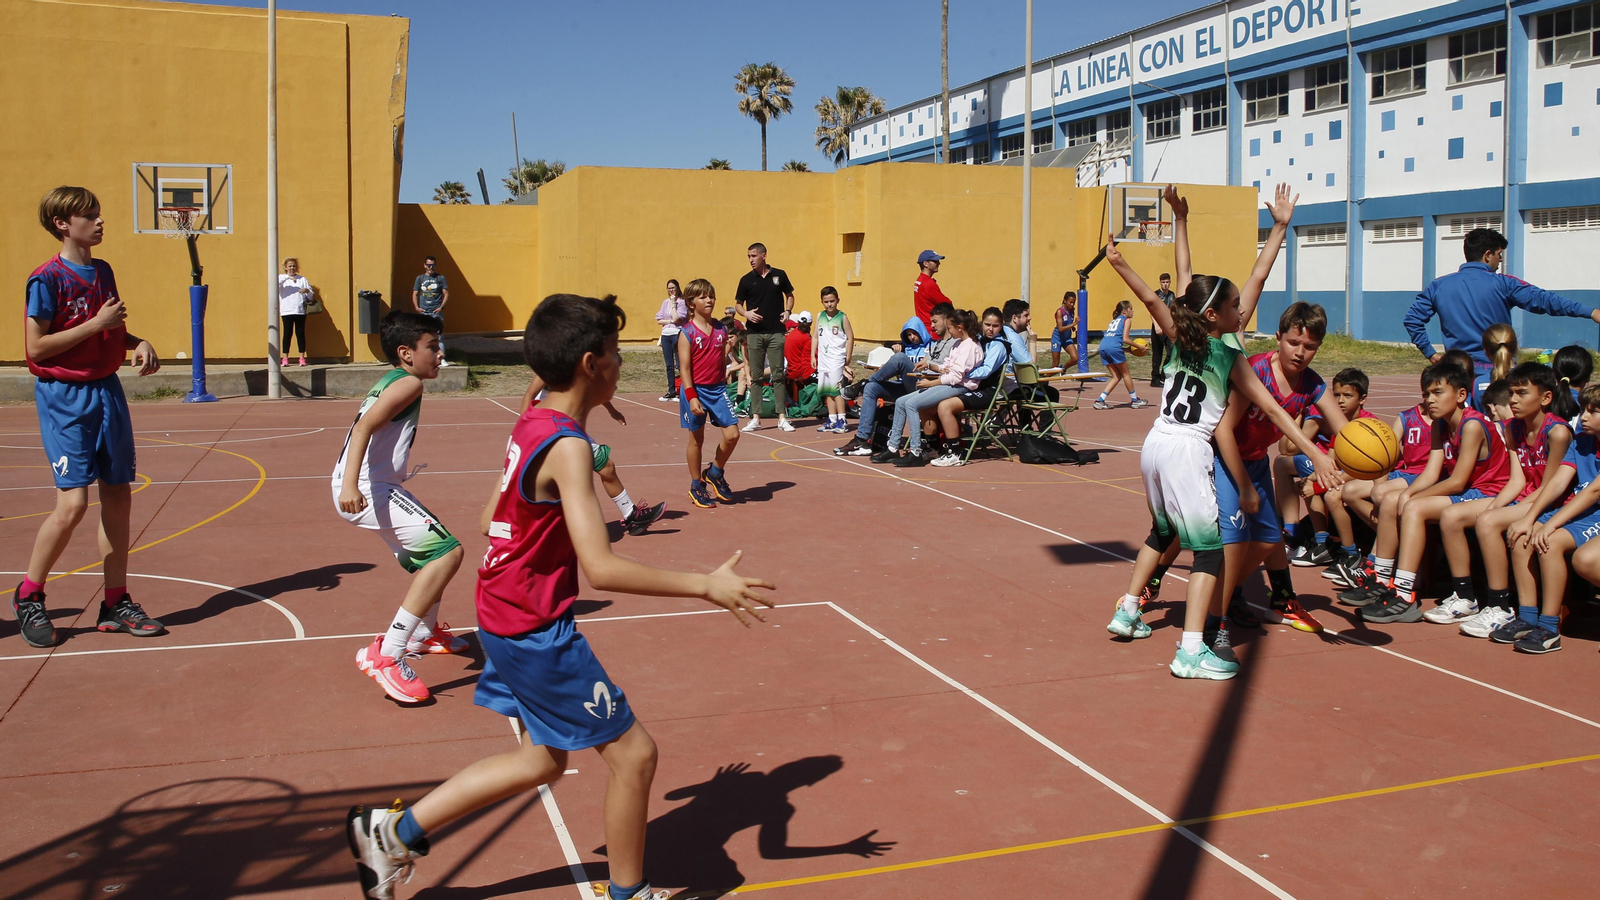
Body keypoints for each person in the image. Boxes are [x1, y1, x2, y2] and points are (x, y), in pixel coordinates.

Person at [346, 293, 774, 900]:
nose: (621, 366)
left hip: (502, 610)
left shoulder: (535, 419)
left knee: (540, 761)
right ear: (589, 366)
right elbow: (599, 566)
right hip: (532, 627)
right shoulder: (568, 448)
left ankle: (391, 833)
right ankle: (629, 893)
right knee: (634, 756)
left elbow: (493, 510)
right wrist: (705, 584)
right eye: (614, 356)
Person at [1100, 216, 1342, 681]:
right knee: (1208, 553)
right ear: (1216, 315)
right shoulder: (1231, 357)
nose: (1243, 311)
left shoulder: (1179, 336)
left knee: (1164, 532)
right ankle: (1193, 649)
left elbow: (1152, 297)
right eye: (1236, 307)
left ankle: (1130, 608)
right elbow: (1273, 411)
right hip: (1191, 449)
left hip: (1155, 441)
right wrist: (1318, 454)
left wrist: (1119, 262)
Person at [13, 185, 163, 649]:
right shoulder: (46, 279)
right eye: (89, 216)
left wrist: (134, 341)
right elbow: (35, 348)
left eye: (99, 214)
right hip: (65, 397)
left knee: (118, 496)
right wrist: (97, 325)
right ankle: (30, 594)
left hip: (106, 392)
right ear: (63, 223)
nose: (100, 222)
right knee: (73, 504)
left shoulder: (102, 271)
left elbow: (108, 330)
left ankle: (115, 601)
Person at [336, 312, 467, 704]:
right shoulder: (408, 383)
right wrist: (348, 485)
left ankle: (424, 635)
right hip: (367, 487)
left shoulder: (395, 380)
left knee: (436, 550)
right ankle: (387, 654)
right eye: (433, 346)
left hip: (375, 484)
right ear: (406, 353)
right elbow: (362, 429)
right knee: (449, 554)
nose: (440, 354)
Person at [1212, 302, 1349, 634]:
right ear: (1278, 338)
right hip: (1222, 458)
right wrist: (1243, 485)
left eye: (1310, 346)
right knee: (1227, 542)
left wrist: (1374, 454)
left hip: (1256, 460)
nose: (1300, 352)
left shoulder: (1312, 384)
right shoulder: (1255, 371)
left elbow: (1345, 430)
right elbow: (1223, 430)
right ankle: (1204, 616)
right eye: (1294, 342)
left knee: (1269, 539)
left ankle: (1231, 596)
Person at [1356, 362, 1513, 623]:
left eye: (1438, 393)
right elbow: (1431, 472)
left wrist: (1414, 498)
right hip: (1468, 491)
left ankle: (1405, 594)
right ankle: (1382, 578)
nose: (1430, 400)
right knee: (1393, 498)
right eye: (1427, 394)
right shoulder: (1440, 424)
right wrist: (1409, 493)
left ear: (1461, 395)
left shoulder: (1471, 425)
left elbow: (1458, 482)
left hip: (1489, 492)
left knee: (1414, 507)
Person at [1429, 363, 1575, 626]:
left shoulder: (1558, 432)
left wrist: (1503, 513)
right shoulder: (1512, 427)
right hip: (1525, 497)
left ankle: (1500, 604)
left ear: (1545, 398)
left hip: (1551, 502)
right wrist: (1496, 505)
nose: (1513, 400)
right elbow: (1517, 479)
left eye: (1521, 393)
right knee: (1452, 515)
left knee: (1487, 522)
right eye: (1511, 393)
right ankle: (1465, 597)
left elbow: (1550, 487)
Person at [1403, 227, 1600, 392]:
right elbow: (1544, 300)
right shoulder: (1503, 284)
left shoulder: (1439, 286)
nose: (1499, 262)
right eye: (1499, 255)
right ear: (1487, 255)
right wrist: (1590, 312)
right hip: (1497, 373)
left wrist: (1429, 352)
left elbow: (1412, 319)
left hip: (1457, 377)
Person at [1507, 385, 1600, 653]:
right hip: (1586, 511)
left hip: (1593, 510)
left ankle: (1549, 628)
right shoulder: (1581, 440)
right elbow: (1558, 482)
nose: (1583, 416)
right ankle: (1527, 617)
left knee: (1550, 540)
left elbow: (1594, 490)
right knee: (1522, 534)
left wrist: (1551, 523)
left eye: (1593, 412)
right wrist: (1530, 517)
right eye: (1583, 409)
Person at [519, 377, 668, 537]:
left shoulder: (580, 360)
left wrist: (612, 410)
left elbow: (593, 386)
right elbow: (530, 393)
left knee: (605, 467)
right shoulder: (556, 361)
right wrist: (525, 428)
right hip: (551, 424)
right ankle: (540, 527)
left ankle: (631, 515)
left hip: (564, 421)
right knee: (576, 476)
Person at [1278, 367, 1374, 570]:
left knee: (1321, 487)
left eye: (1347, 395)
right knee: (1293, 469)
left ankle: (1336, 547)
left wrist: (1316, 484)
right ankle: (1297, 532)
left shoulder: (1367, 425)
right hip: (1337, 472)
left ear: (1362, 399)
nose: (1340, 400)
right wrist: (1297, 413)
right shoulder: (1335, 422)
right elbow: (1288, 449)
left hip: (1366, 477)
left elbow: (1367, 468)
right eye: (1336, 394)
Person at [834, 304, 954, 457]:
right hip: (912, 384)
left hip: (929, 387)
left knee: (900, 358)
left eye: (935, 322)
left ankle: (862, 383)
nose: (931, 326)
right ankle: (862, 438)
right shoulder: (938, 344)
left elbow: (948, 370)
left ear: (946, 320)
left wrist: (922, 369)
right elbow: (922, 365)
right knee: (872, 388)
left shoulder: (953, 344)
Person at [873, 309, 983, 468]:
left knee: (912, 404)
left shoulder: (970, 346)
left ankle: (916, 452)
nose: (949, 331)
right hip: (948, 383)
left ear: (959, 327)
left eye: (950, 328)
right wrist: (931, 366)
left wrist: (930, 383)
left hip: (959, 387)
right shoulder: (958, 344)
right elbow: (948, 367)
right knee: (901, 401)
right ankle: (893, 447)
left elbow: (956, 377)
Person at [679, 279, 741, 508]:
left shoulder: (720, 329)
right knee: (697, 439)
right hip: (695, 390)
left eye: (711, 296)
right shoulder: (686, 333)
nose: (709, 300)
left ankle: (715, 471)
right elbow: (684, 369)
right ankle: (696, 485)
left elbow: (718, 356)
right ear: (691, 302)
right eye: (703, 297)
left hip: (717, 390)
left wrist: (731, 350)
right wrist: (692, 395)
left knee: (733, 434)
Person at [927, 307, 1011, 467]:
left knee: (945, 406)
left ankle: (955, 452)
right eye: (987, 324)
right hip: (969, 386)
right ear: (981, 323)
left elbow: (985, 372)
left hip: (987, 391)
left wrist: (961, 372)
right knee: (929, 400)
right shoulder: (976, 340)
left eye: (995, 326)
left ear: (1001, 326)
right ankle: (932, 446)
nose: (991, 329)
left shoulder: (998, 346)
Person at [735, 243, 795, 432]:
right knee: (756, 376)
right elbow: (737, 304)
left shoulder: (779, 275)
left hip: (776, 332)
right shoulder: (746, 280)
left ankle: (782, 417)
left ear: (764, 255)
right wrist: (746, 314)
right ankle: (756, 417)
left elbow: (790, 295)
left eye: (753, 256)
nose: (751, 259)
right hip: (754, 334)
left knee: (778, 374)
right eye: (748, 256)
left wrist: (787, 311)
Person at [812, 287, 854, 434]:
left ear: (837, 301)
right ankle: (832, 419)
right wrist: (813, 355)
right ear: (822, 302)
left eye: (832, 301)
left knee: (837, 390)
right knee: (827, 390)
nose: (829, 304)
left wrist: (847, 357)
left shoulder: (842, 317)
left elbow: (850, 337)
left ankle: (842, 420)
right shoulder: (820, 316)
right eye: (826, 302)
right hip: (823, 358)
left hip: (837, 358)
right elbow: (815, 337)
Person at [1093, 301, 1145, 409]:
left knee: (1116, 376)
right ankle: (1135, 400)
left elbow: (1112, 341)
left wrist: (1128, 350)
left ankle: (1100, 400)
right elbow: (1125, 339)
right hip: (1113, 348)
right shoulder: (1127, 320)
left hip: (1103, 347)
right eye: (1131, 309)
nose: (1133, 311)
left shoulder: (1113, 321)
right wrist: (1140, 347)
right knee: (1126, 374)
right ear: (1124, 311)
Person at [412, 256, 450, 366]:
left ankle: (441, 358)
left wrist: (441, 307)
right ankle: (423, 358)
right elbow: (415, 293)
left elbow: (446, 294)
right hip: (423, 312)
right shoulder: (419, 279)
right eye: (428, 265)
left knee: (439, 335)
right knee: (422, 335)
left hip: (436, 312)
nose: (430, 267)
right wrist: (416, 307)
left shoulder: (440, 278)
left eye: (433, 265)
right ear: (424, 265)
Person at [654, 279, 687, 401]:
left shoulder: (682, 302)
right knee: (669, 365)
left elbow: (678, 318)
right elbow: (659, 320)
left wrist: (674, 304)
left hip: (677, 333)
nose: (671, 290)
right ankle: (671, 391)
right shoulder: (664, 302)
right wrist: (670, 321)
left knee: (680, 364)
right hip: (665, 334)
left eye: (673, 287)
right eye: (669, 288)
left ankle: (682, 390)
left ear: (677, 288)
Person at [279, 257, 312, 367]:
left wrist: (307, 291)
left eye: (294, 266)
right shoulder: (282, 279)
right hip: (287, 311)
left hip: (300, 311)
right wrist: (288, 277)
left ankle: (302, 358)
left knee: (300, 334)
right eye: (290, 266)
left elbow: (311, 297)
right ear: (286, 267)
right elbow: (276, 283)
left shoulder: (303, 279)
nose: (292, 268)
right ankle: (285, 358)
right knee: (287, 334)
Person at [912, 249, 951, 335]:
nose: (938, 263)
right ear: (925, 263)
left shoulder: (919, 280)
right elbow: (947, 305)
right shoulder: (928, 284)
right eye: (935, 261)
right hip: (932, 330)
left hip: (925, 328)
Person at [784, 311, 815, 418]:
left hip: (790, 370)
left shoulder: (791, 335)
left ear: (797, 322)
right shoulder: (806, 338)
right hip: (800, 372)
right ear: (811, 324)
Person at [1148, 273, 1176, 388]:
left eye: (1167, 282)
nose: (1165, 284)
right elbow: (1152, 311)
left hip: (1169, 327)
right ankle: (1155, 378)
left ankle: (1164, 375)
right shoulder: (1156, 294)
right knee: (1157, 354)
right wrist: (1156, 325)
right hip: (1158, 328)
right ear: (1160, 282)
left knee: (1171, 352)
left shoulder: (1172, 295)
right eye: (1163, 282)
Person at [1051, 291, 1078, 370]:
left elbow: (1069, 321)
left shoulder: (1072, 310)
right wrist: (1074, 324)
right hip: (1057, 339)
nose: (1072, 304)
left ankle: (1063, 369)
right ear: (1065, 300)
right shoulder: (1060, 312)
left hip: (1066, 339)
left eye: (1073, 302)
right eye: (1070, 302)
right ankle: (1044, 378)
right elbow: (1060, 328)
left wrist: (1072, 327)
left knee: (1075, 358)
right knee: (1055, 364)